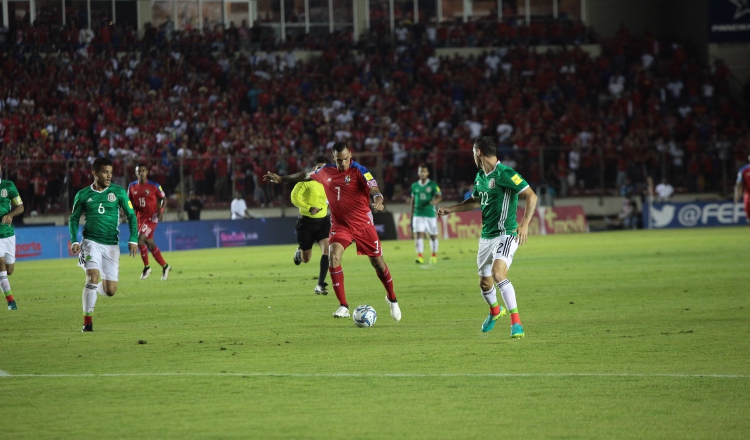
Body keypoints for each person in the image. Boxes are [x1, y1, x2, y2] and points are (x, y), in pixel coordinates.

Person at [264, 142, 401, 321]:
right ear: (333, 157)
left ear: (350, 154)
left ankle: (392, 298)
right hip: (340, 225)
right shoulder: (326, 171)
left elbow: (374, 189)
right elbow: (305, 175)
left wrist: (378, 199)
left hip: (363, 225)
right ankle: (343, 305)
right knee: (333, 256)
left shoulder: (360, 170)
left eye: (345, 159)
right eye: (339, 160)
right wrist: (282, 179)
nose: (343, 163)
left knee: (378, 263)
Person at [437, 136, 538, 339]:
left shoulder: (505, 173)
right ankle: (495, 311)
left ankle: (516, 323)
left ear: (479, 152)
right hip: (486, 237)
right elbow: (476, 201)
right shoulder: (481, 176)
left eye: (473, 152)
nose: (473, 156)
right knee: (485, 283)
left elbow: (531, 195)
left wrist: (525, 223)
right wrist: (451, 209)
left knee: (498, 273)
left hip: (506, 234)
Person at [69, 157, 138, 332]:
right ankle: (87, 322)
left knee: (111, 290)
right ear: (95, 173)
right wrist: (74, 240)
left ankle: (93, 289)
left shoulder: (119, 192)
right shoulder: (83, 195)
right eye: (105, 172)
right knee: (92, 275)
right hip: (90, 242)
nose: (109, 176)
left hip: (111, 245)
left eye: (111, 172)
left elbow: (131, 216)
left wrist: (133, 239)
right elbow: (74, 218)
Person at [290, 156, 331, 295]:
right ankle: (298, 254)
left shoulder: (329, 182)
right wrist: (308, 208)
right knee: (306, 258)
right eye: (319, 167)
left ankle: (320, 285)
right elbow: (294, 197)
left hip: (323, 222)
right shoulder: (306, 181)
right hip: (306, 223)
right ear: (315, 168)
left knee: (328, 251)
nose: (322, 170)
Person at [127, 163, 172, 280]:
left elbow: (164, 198)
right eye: (138, 171)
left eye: (143, 171)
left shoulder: (154, 186)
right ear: (136, 173)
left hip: (152, 217)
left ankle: (147, 268)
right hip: (139, 218)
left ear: (147, 172)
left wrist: (161, 210)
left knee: (140, 240)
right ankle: (165, 266)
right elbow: (128, 201)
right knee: (150, 244)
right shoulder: (131, 186)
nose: (141, 173)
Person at [0, 163, 24, 310]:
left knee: (9, 270)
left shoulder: (9, 186)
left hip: (8, 233)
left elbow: (20, 207)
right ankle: (11, 301)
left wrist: (10, 214)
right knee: (0, 263)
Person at [409, 164, 442, 264]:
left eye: (424, 171)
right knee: (418, 234)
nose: (422, 173)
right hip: (418, 214)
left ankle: (433, 255)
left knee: (432, 235)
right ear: (418, 173)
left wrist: (434, 202)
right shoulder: (414, 186)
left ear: (427, 173)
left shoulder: (433, 185)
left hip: (430, 214)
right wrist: (411, 213)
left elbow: (439, 196)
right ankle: (420, 256)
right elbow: (413, 200)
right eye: (420, 171)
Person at [735, 153, 750, 224]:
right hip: (748, 195)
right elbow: (739, 184)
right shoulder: (744, 170)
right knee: (748, 214)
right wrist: (737, 195)